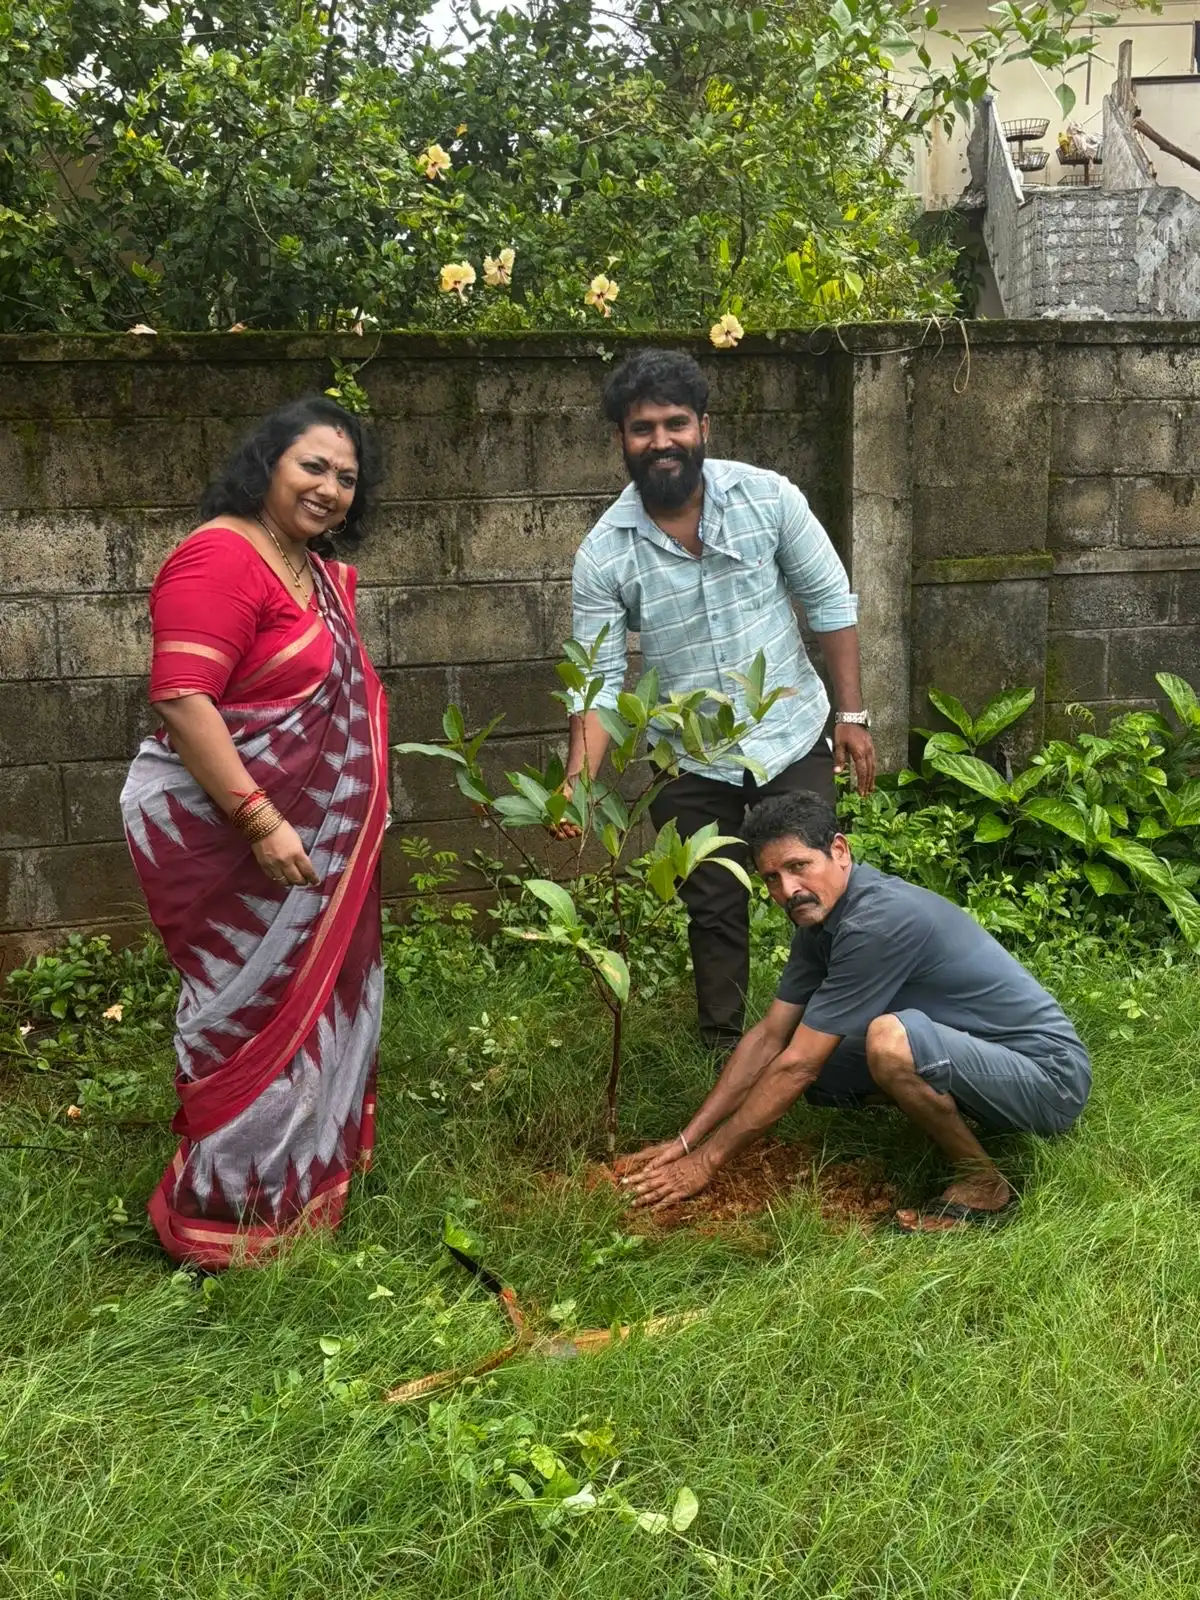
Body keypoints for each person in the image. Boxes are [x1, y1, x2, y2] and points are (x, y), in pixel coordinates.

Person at [120, 396, 388, 1269]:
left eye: (347, 477)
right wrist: (262, 819)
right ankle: (223, 1222)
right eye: (313, 466)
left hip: (315, 854)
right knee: (246, 1017)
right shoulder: (221, 555)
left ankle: (300, 1191)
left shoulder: (311, 569)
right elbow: (182, 698)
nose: (330, 488)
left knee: (314, 1013)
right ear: (267, 462)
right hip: (235, 841)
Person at [562, 348, 875, 1055]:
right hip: (688, 759)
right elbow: (600, 679)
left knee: (818, 882)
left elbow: (830, 603)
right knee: (713, 904)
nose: (662, 440)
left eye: (676, 422)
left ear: (704, 425)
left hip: (788, 734)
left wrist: (851, 717)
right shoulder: (604, 553)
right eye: (643, 428)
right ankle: (724, 1047)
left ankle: (840, 1035)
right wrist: (577, 784)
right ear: (622, 439)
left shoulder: (769, 499)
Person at [620, 791, 1091, 1232]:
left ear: (840, 851)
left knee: (886, 1043)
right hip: (978, 1055)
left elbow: (797, 1064)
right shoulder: (819, 918)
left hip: (1049, 1079)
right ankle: (939, 1109)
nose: (788, 890)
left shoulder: (877, 921)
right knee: (826, 1061)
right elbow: (770, 1037)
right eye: (772, 878)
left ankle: (984, 1183)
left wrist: (704, 1166)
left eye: (799, 866)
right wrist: (686, 1142)